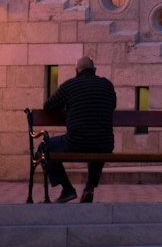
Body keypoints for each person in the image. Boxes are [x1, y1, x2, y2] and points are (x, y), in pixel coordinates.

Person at [42, 55, 117, 203]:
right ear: (94, 70)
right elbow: (112, 105)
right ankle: (90, 186)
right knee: (98, 142)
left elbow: (48, 107)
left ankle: (68, 189)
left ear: (76, 70)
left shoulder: (70, 86)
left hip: (76, 141)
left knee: (45, 147)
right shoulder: (107, 85)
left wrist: (69, 106)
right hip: (105, 144)